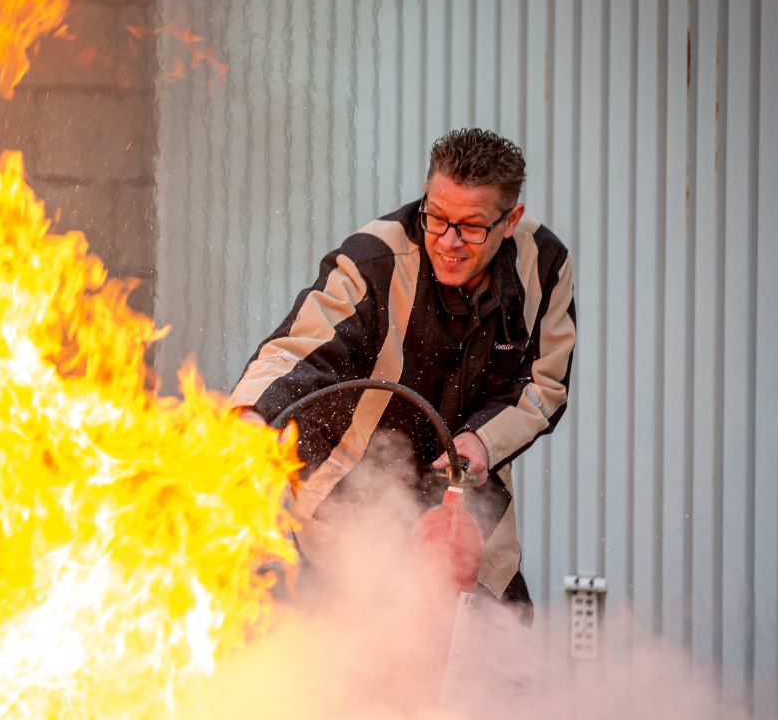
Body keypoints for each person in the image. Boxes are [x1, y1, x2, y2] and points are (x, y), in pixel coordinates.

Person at [228, 127, 574, 613]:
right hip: (352, 509)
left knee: (496, 663)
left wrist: (483, 440)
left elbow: (544, 383)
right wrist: (249, 420)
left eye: (471, 227)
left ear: (510, 219)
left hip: (467, 509)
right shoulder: (373, 260)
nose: (448, 242)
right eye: (436, 217)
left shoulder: (545, 267)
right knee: (355, 666)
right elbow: (295, 349)